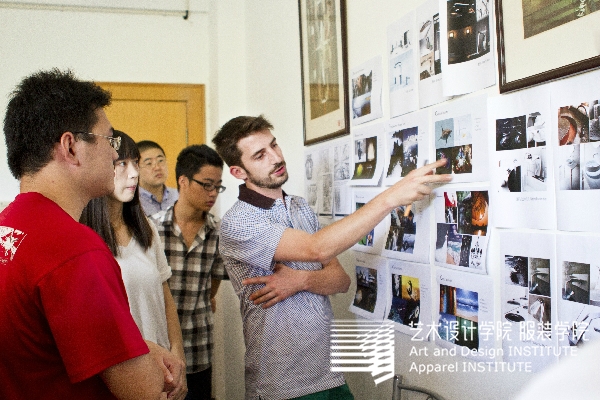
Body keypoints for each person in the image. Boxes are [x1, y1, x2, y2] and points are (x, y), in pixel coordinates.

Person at [212, 115, 452, 400]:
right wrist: (391, 197)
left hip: (329, 375)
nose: (276, 158)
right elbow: (318, 249)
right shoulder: (237, 222)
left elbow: (340, 280)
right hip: (281, 385)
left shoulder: (299, 207)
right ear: (238, 172)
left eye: (274, 145)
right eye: (260, 155)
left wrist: (300, 280)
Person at [0, 69, 183, 399]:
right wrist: (151, 365)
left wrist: (142, 347)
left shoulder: (9, 224)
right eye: (109, 140)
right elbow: (143, 390)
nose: (114, 154)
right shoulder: (75, 250)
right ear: (71, 147)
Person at [80, 130, 187, 399]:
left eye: (135, 163)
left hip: (164, 369)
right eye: (122, 164)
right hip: (124, 376)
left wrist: (177, 355)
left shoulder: (146, 229)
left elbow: (165, 298)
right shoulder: (83, 239)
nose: (134, 173)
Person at [151, 144, 228, 400]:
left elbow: (212, 286)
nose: (213, 193)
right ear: (183, 181)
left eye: (218, 186)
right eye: (207, 185)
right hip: (158, 348)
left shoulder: (219, 232)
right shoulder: (152, 229)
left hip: (198, 347)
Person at [137, 140, 179, 216]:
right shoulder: (132, 203)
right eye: (149, 163)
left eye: (160, 161)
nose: (157, 168)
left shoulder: (179, 196)